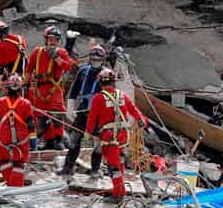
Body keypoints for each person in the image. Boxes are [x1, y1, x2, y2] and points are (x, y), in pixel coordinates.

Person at [85, 68, 147, 204]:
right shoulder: (122, 95)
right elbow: (134, 110)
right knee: (119, 163)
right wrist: (141, 121)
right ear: (113, 81)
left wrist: (87, 135)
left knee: (113, 167)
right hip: (123, 136)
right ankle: (120, 191)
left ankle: (118, 195)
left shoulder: (98, 98)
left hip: (109, 137)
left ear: (100, 82)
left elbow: (92, 119)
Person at [59, 45, 107, 177]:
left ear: (103, 59)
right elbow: (73, 92)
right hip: (82, 113)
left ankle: (95, 171)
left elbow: (110, 96)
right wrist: (70, 108)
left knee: (98, 144)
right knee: (74, 140)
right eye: (93, 58)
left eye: (98, 59)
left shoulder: (107, 74)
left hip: (99, 116)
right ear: (90, 58)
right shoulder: (83, 72)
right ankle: (67, 168)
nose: (96, 61)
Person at [25, 26, 70, 150]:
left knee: (57, 116)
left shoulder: (62, 52)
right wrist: (24, 83)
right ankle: (49, 141)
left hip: (54, 89)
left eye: (55, 39)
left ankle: (59, 140)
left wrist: (57, 59)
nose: (52, 41)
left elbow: (67, 67)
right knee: (41, 118)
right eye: (50, 38)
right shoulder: (37, 52)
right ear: (46, 39)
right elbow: (29, 70)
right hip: (39, 89)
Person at [0, 74, 37, 187]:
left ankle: (9, 184)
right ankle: (14, 188)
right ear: (21, 88)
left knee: (4, 162)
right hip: (21, 142)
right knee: (19, 165)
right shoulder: (26, 104)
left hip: (3, 141)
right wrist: (33, 140)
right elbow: (31, 125)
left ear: (7, 88)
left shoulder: (0, 102)